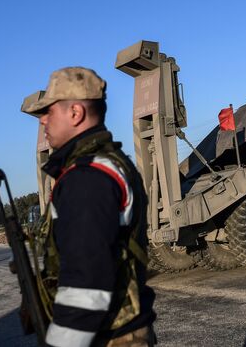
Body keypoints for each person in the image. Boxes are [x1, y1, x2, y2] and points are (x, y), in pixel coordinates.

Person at [21, 67, 156, 347]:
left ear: (75, 113)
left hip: (109, 337)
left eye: (50, 111)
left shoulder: (87, 178)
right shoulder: (102, 166)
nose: (43, 120)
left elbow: (86, 283)